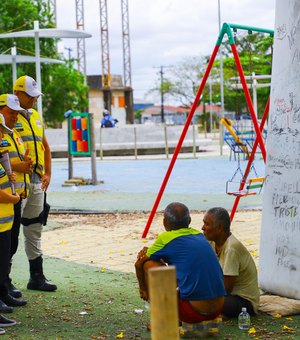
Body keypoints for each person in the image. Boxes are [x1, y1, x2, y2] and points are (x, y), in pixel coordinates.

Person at [135, 202, 226, 330]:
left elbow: (140, 263)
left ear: (165, 223)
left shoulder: (166, 238)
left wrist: (143, 289)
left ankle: (162, 321)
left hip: (193, 312)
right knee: (178, 268)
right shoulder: (199, 235)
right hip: (218, 309)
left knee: (149, 264)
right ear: (189, 220)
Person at [13, 75, 57, 292]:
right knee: (10, 231)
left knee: (34, 227)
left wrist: (48, 173)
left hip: (37, 182)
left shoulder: (36, 116)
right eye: (29, 96)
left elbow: (45, 146)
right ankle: (6, 282)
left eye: (35, 97)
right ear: (17, 94)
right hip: (16, 184)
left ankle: (36, 277)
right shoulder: (8, 117)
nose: (33, 100)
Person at [0, 94, 33, 299]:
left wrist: (26, 163)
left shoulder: (13, 134)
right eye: (11, 112)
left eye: (17, 113)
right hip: (7, 199)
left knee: (10, 245)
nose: (14, 117)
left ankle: (5, 286)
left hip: (15, 196)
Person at [202, 207, 260, 318]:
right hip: (229, 296)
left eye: (206, 224)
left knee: (202, 302)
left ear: (219, 228)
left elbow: (225, 289)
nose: (203, 228)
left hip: (244, 302)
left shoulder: (231, 249)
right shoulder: (212, 242)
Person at [0, 114, 22, 334]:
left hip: (4, 222)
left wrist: (10, 175)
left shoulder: (1, 156)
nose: (3, 136)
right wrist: (12, 199)